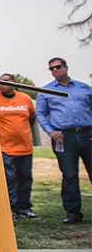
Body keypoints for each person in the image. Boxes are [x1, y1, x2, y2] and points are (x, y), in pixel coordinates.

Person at [36, 57, 92, 225]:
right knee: (69, 175)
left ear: (66, 67)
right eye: (51, 69)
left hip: (87, 134)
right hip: (63, 138)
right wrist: (50, 131)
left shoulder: (85, 88)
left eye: (58, 67)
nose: (55, 70)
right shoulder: (46, 91)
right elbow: (40, 113)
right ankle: (73, 213)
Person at [0, 73, 37, 220]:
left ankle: (25, 208)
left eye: (5, 81)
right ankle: (12, 209)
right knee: (10, 179)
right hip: (6, 148)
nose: (1, 84)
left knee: (25, 178)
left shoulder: (25, 98)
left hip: (25, 147)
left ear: (14, 83)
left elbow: (31, 119)